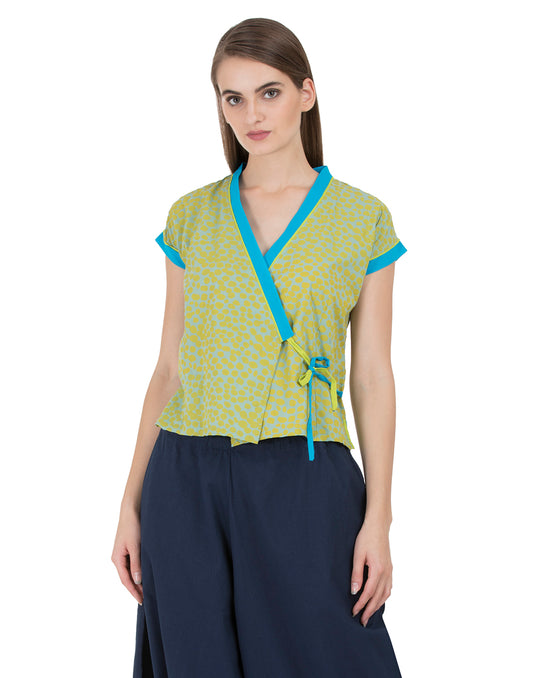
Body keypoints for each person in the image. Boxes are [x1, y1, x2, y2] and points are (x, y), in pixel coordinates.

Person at [112, 16, 407, 678]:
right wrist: (129, 505)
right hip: (185, 476)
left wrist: (379, 519)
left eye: (269, 92)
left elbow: (372, 376)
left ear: (306, 92)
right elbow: (169, 367)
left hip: (305, 472)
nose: (252, 114)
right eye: (233, 97)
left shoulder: (362, 218)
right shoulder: (192, 215)